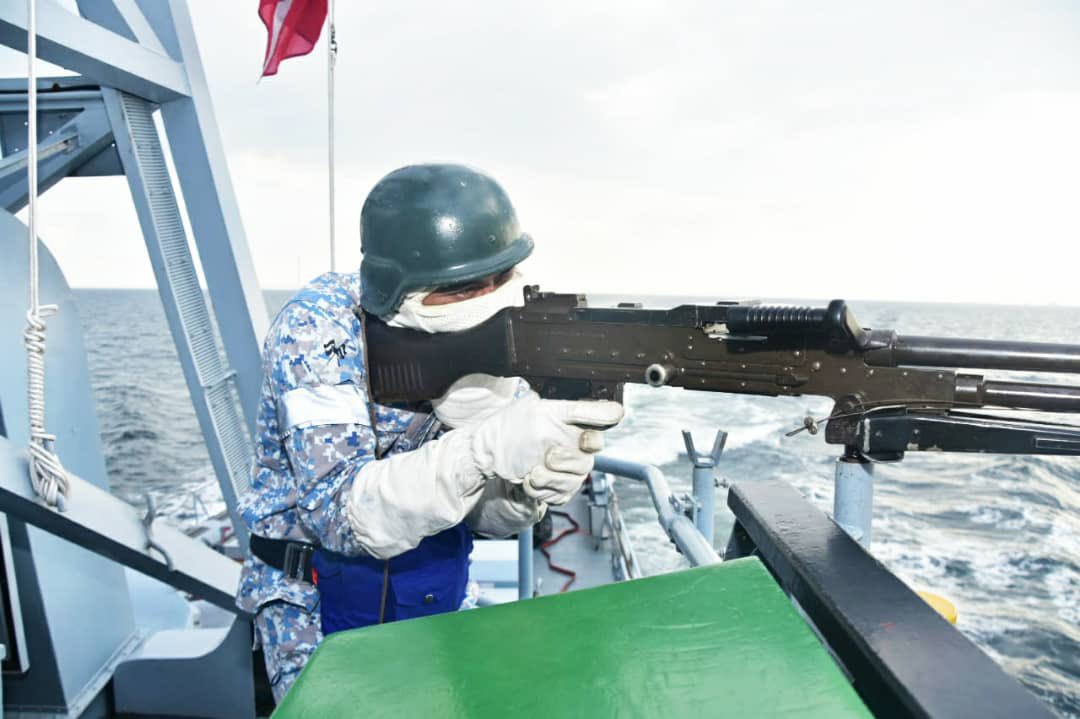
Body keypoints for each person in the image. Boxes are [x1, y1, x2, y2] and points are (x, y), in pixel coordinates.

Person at [235, 164, 624, 702]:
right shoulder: (320, 328)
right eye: (463, 288)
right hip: (313, 602)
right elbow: (336, 515)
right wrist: (484, 448)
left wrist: (524, 491)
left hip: (433, 583)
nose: (489, 297)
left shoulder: (496, 327)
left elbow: (482, 516)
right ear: (399, 289)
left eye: (501, 277)